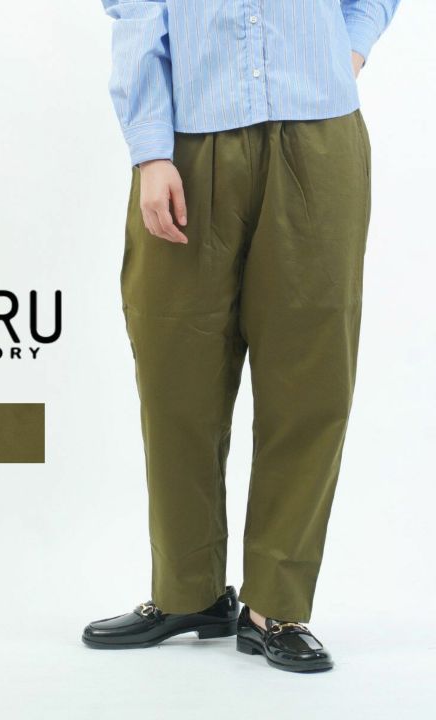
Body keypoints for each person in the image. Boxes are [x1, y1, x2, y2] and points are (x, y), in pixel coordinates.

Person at [83, 0, 402, 672]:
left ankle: (275, 607)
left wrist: (348, 49)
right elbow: (135, 13)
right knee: (174, 376)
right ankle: (188, 593)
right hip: (189, 143)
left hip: (320, 136)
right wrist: (151, 151)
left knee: (310, 377)